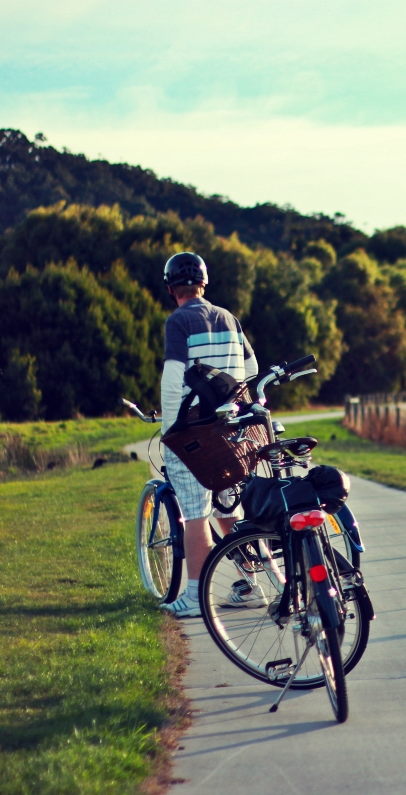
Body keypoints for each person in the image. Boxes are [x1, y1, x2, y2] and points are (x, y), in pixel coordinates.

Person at [158, 252, 258, 618]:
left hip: (196, 431)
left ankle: (196, 596)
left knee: (195, 512)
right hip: (229, 430)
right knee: (228, 507)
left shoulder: (178, 321)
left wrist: (171, 430)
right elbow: (252, 368)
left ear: (171, 288)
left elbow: (172, 381)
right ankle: (254, 582)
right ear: (203, 283)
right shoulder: (229, 318)